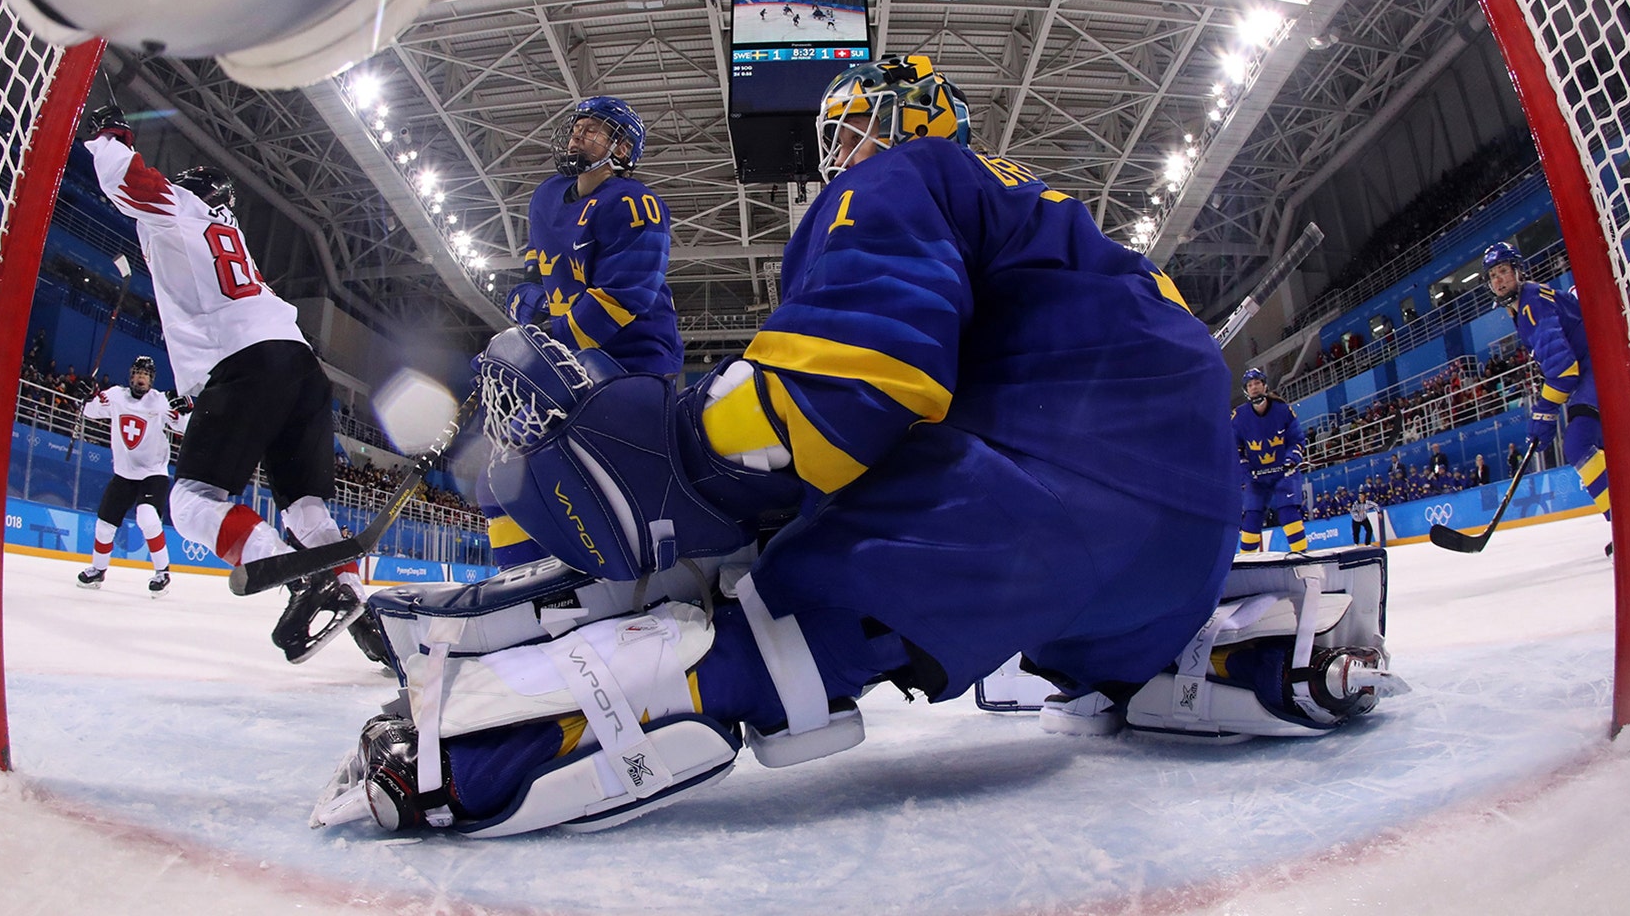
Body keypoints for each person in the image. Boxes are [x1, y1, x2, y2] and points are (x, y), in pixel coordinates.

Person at [323, 56, 1398, 837]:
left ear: (906, 121)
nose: (838, 156)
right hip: (1186, 543)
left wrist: (687, 455)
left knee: (773, 614)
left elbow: (855, 383)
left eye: (848, 131)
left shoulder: (907, 176)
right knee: (1021, 582)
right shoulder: (1065, 224)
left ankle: (475, 756)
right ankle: (1223, 648)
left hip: (1030, 504)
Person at [79, 105, 383, 665]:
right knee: (306, 508)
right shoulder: (232, 235)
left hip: (246, 365)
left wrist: (107, 135)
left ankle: (292, 578)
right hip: (301, 366)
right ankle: (362, 606)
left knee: (191, 502)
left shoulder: (181, 207)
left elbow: (125, 180)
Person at [488, 96, 677, 568]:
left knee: (586, 470)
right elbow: (536, 272)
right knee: (501, 470)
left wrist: (547, 340)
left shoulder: (637, 203)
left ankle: (622, 566)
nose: (578, 134)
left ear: (622, 148)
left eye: (594, 129)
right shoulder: (547, 195)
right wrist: (526, 304)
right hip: (571, 362)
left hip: (634, 364)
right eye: (579, 126)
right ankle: (523, 578)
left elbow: (624, 297)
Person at [1483, 242, 1612, 523]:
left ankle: (1629, 522)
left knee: (1578, 444)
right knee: (1604, 447)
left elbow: (1565, 370)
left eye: (1503, 271)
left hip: (1601, 363)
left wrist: (1544, 411)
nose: (1498, 279)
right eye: (1493, 276)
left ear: (1518, 271)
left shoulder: (1532, 305)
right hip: (1598, 363)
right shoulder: (1524, 307)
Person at [75, 356, 186, 595]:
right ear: (131, 376)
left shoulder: (160, 402)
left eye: (146, 375)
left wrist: (186, 411)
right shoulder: (116, 396)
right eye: (138, 374)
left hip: (152, 473)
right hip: (124, 474)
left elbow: (184, 426)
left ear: (152, 379)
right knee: (105, 524)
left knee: (147, 516)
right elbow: (90, 411)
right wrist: (85, 394)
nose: (141, 378)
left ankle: (162, 572)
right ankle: (98, 569)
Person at [1231, 368, 1310, 554]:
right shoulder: (1238, 417)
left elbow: (1297, 439)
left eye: (1257, 383)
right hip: (1256, 477)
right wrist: (1244, 468)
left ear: (1265, 385)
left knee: (1288, 513)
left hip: (1285, 472)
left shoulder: (1284, 411)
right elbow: (1234, 449)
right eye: (1250, 385)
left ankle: (1301, 556)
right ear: (1245, 390)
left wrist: (1293, 458)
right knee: (1251, 517)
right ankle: (1245, 561)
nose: (1254, 387)